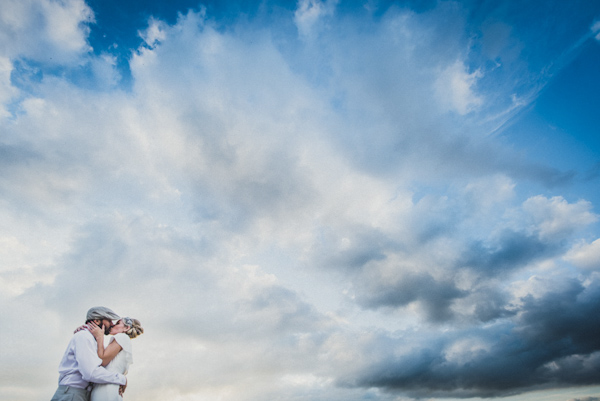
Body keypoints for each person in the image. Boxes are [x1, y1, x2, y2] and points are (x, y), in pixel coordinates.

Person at [50, 307, 128, 401]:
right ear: (97, 321)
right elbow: (90, 373)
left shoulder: (92, 339)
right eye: (109, 320)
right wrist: (121, 379)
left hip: (80, 394)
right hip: (72, 394)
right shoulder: (84, 336)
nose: (112, 324)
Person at [87, 317, 144, 401]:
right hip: (109, 385)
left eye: (117, 323)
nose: (113, 325)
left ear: (126, 328)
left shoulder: (122, 337)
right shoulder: (123, 340)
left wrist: (100, 337)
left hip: (106, 388)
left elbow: (102, 361)